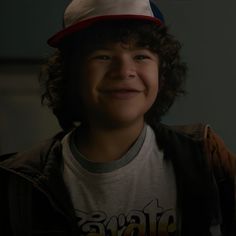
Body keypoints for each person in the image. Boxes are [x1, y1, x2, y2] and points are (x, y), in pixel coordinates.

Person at [0, 0, 235, 235]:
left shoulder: (204, 154)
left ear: (162, 73)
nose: (124, 70)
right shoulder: (19, 182)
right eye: (102, 56)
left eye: (141, 56)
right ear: (71, 72)